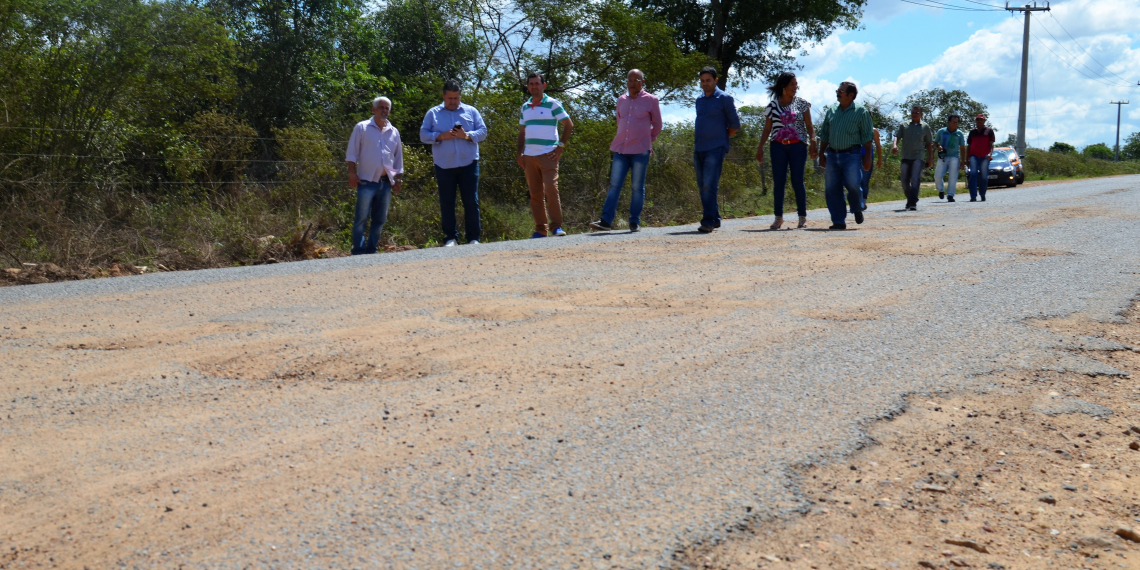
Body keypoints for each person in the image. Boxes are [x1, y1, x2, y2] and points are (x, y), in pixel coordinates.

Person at [590, 69, 662, 233]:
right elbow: (619, 121)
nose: (632, 83)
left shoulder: (651, 100)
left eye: (636, 80)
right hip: (621, 149)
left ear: (643, 82)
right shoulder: (621, 100)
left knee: (637, 187)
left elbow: (657, 125)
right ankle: (606, 221)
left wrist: (646, 139)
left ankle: (634, 221)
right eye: (630, 80)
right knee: (614, 185)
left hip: (640, 150)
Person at [420, 79, 488, 247]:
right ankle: (451, 238)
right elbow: (423, 135)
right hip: (444, 165)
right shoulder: (433, 113)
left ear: (460, 96)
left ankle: (473, 238)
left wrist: (466, 135)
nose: (453, 101)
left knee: (471, 201)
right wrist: (440, 136)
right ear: (443, 96)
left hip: (469, 163)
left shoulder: (471, 111)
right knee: (447, 202)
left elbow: (483, 132)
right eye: (450, 98)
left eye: (456, 98)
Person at [756, 71, 816, 230]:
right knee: (779, 182)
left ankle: (802, 217)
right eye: (792, 84)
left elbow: (809, 125)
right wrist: (760, 147)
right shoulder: (772, 106)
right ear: (784, 86)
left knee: (797, 181)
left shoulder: (802, 104)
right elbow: (767, 129)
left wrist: (813, 141)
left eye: (796, 84)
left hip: (798, 146)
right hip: (778, 146)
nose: (795, 87)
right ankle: (778, 218)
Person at [517, 72, 573, 238]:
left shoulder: (553, 104)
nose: (534, 86)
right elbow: (522, 132)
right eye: (531, 84)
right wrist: (519, 153)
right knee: (535, 194)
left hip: (548, 154)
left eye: (537, 83)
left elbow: (568, 124)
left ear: (544, 85)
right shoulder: (525, 107)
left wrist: (560, 147)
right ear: (528, 86)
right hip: (529, 156)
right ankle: (541, 229)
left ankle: (556, 226)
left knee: (551, 189)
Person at [345, 96, 403, 255]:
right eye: (381, 107)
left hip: (386, 182)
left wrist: (398, 179)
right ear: (373, 109)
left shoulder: (394, 132)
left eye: (387, 108)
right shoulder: (362, 127)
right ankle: (358, 250)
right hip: (366, 181)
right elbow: (352, 152)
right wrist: (351, 172)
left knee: (380, 219)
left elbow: (398, 157)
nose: (384, 110)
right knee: (361, 218)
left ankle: (371, 250)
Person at [817, 81, 873, 230]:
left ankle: (857, 207)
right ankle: (838, 221)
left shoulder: (861, 112)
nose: (838, 93)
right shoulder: (832, 110)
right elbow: (825, 134)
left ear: (850, 95)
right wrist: (821, 153)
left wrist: (867, 157)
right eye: (838, 90)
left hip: (851, 154)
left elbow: (867, 136)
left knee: (853, 184)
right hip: (832, 154)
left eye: (841, 91)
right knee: (832, 188)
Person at [693, 66, 741, 233]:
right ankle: (715, 217)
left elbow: (735, 124)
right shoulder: (699, 100)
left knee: (709, 185)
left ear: (716, 80)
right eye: (702, 81)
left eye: (708, 80)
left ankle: (707, 221)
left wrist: (722, 138)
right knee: (702, 185)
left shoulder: (724, 98)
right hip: (699, 148)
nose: (705, 83)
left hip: (715, 148)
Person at [891, 105, 933, 211]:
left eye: (917, 113)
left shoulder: (925, 127)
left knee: (915, 178)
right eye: (913, 113)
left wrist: (930, 158)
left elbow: (929, 143)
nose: (914, 114)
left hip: (918, 156)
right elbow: (897, 136)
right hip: (906, 156)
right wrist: (894, 145)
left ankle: (913, 202)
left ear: (921, 114)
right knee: (904, 180)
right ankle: (910, 198)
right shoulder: (904, 125)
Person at [934, 115, 967, 202]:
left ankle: (950, 195)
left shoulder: (959, 133)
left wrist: (963, 161)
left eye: (956, 122)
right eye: (953, 122)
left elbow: (962, 148)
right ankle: (941, 189)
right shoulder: (941, 131)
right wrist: (938, 147)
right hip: (943, 156)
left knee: (953, 177)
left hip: (954, 157)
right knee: (937, 176)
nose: (955, 124)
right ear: (949, 122)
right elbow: (935, 143)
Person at [966, 114, 995, 202]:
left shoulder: (989, 131)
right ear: (976, 121)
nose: (979, 121)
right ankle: (973, 196)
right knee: (973, 174)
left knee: (984, 176)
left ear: (984, 121)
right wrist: (967, 158)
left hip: (985, 156)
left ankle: (982, 194)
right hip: (973, 156)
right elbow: (969, 145)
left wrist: (990, 154)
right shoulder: (972, 132)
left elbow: (991, 145)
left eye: (981, 120)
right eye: (978, 120)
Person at [856, 127, 883, 212]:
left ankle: (862, 202)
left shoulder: (874, 131)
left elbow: (878, 145)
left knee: (864, 181)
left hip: (867, 158)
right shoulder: (855, 128)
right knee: (854, 181)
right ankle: (856, 201)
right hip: (855, 157)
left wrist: (880, 159)